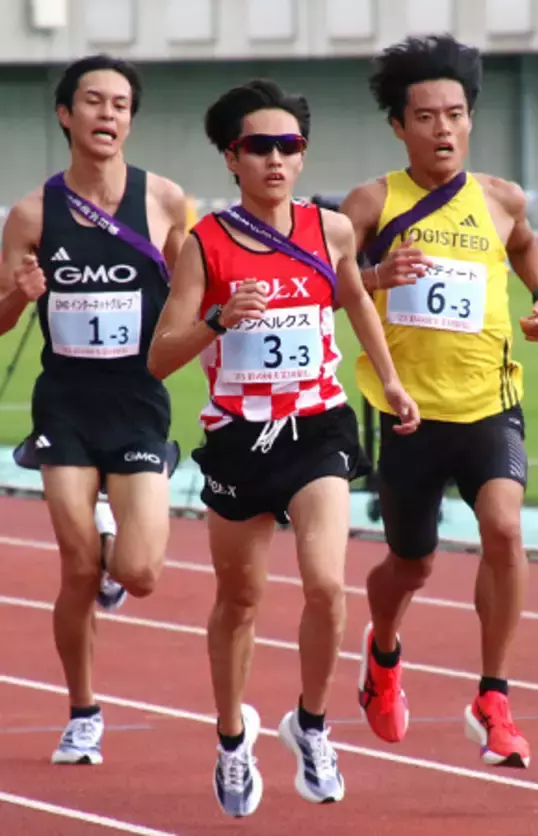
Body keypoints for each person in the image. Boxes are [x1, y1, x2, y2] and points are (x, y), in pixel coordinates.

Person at [148, 78, 420, 817]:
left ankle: (311, 722)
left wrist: (389, 382)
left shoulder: (330, 230)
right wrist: (217, 320)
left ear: (303, 157)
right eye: (259, 146)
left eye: (289, 146)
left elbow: (355, 297)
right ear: (231, 158)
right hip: (239, 438)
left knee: (327, 586)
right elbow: (160, 357)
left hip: (317, 427)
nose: (276, 158)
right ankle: (234, 737)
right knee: (240, 599)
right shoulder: (205, 244)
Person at [340, 35, 538, 769]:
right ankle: (382, 652)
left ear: (471, 121)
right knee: (413, 565)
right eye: (427, 116)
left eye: (456, 114)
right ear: (398, 126)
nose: (443, 128)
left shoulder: (502, 199)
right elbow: (329, 282)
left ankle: (493, 697)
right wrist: (375, 280)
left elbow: (527, 246)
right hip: (410, 411)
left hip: (490, 402)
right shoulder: (372, 202)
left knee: (504, 529)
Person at [0, 54, 188, 764]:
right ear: (64, 115)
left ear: (130, 120)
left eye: (120, 104)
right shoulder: (31, 213)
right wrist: (22, 292)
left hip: (139, 403)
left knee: (139, 575)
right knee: (76, 570)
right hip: (67, 405)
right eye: (93, 102)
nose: (108, 114)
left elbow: (191, 296)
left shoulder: (166, 200)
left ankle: (118, 539)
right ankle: (84, 711)